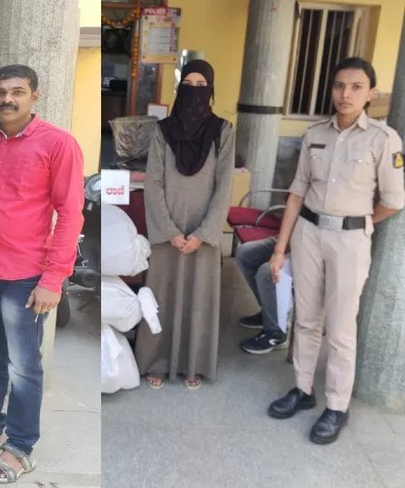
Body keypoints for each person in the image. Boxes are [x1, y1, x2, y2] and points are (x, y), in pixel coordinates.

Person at [0, 65, 83, 484]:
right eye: (1, 92)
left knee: (24, 366)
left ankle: (21, 448)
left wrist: (53, 280)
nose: (8, 99)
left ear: (34, 96)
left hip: (25, 275)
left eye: (18, 91)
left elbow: (70, 214)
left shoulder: (58, 144)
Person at [266, 57, 404, 445]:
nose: (346, 94)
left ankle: (337, 406)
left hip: (349, 241)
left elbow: (394, 200)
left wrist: (361, 224)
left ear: (370, 93)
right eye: (340, 86)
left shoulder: (384, 139)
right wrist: (280, 249)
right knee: (307, 319)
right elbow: (297, 191)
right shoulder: (315, 134)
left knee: (341, 328)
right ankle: (303, 389)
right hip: (308, 233)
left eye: (356, 87)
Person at [134, 59, 235, 390]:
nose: (194, 92)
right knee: (162, 295)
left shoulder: (223, 131)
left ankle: (194, 364)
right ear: (179, 90)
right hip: (168, 230)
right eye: (188, 86)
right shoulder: (163, 131)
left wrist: (204, 233)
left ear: (211, 90)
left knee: (198, 297)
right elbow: (153, 182)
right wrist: (170, 231)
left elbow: (224, 186)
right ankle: (156, 362)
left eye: (201, 86)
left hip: (202, 232)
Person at [235, 236, 290, 354]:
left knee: (267, 273)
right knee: (245, 254)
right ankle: (269, 313)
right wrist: (279, 252)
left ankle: (276, 333)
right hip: (292, 239)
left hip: (311, 249)